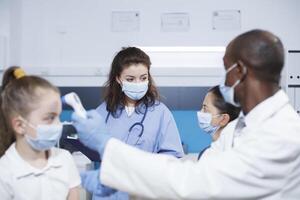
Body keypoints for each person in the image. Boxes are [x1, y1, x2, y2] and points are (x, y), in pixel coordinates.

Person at [72, 29, 300, 199]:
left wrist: (109, 148)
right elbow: (196, 170)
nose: (224, 81)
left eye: (226, 70)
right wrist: (120, 175)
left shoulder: (282, 134)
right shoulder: (237, 128)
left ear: (239, 71)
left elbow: (194, 182)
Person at [81, 47, 184, 199]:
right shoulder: (102, 112)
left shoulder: (161, 113)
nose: (138, 83)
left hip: (144, 191)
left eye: (143, 78)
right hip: (109, 192)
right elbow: (90, 148)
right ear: (118, 78)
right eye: (130, 79)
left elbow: (172, 158)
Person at [0, 67, 81, 199]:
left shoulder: (64, 159)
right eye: (49, 118)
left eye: (58, 117)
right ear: (20, 125)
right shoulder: (4, 172)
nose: (58, 124)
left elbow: (73, 195)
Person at [197, 85, 240, 159]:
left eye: (205, 108)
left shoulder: (237, 155)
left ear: (223, 119)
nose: (201, 112)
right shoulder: (205, 154)